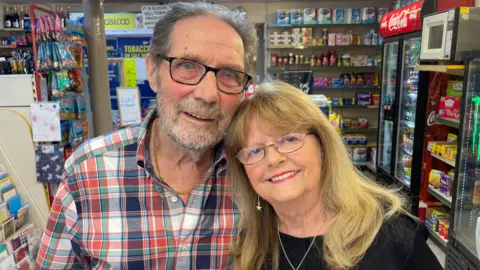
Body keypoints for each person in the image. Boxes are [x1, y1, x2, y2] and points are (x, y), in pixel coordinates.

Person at [35, 2, 256, 269]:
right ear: (153, 72)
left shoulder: (256, 173)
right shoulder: (87, 172)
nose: (208, 94)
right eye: (187, 66)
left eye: (229, 74)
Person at [225, 81, 444, 270]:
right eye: (254, 151)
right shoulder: (251, 246)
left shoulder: (391, 235)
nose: (273, 159)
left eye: (289, 139)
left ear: (322, 144)